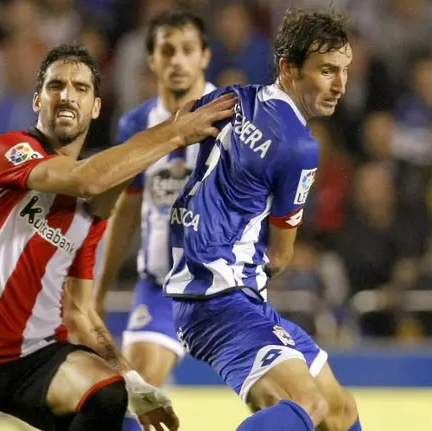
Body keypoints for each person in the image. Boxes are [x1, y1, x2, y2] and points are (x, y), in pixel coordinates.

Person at [0, 44, 236, 431]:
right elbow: (87, 179)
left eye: (80, 88)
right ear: (37, 100)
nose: (66, 95)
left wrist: (136, 383)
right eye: (56, 85)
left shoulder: (90, 217)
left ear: (96, 107)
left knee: (107, 393)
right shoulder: (9, 151)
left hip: (34, 360)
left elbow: (80, 313)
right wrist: (175, 132)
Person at [163, 9, 362, 431]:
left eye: (344, 71)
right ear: (289, 69)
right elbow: (282, 253)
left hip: (217, 291)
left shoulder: (232, 98)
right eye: (327, 71)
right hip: (221, 297)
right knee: (308, 404)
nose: (340, 85)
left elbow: (177, 144)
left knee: (339, 409)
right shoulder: (300, 147)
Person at [93, 9, 214, 431]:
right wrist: (98, 290)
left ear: (205, 57)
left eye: (187, 50)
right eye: (167, 50)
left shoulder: (237, 117)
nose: (177, 60)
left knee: (302, 402)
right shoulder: (135, 125)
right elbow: (126, 211)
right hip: (162, 288)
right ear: (151, 61)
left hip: (227, 287)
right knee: (134, 398)